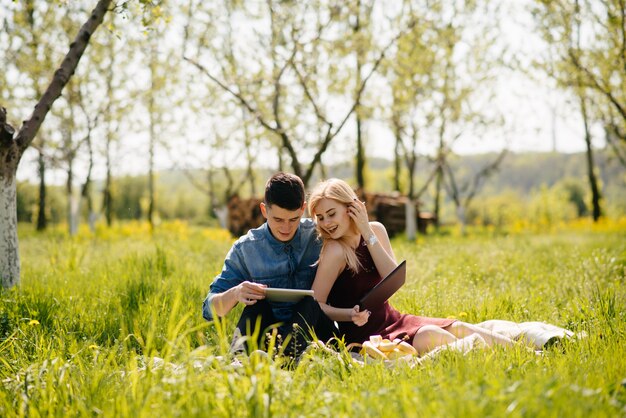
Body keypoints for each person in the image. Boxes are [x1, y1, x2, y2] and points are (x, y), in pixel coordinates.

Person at [308, 178, 515, 355]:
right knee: (431, 336)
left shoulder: (375, 231)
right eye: (320, 217)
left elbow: (393, 278)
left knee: (457, 326)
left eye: (331, 214)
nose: (326, 223)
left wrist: (366, 231)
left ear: (351, 208)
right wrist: (349, 315)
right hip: (364, 335)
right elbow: (316, 303)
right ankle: (491, 357)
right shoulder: (334, 250)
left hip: (393, 318)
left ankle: (526, 353)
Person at [202, 172, 338, 357]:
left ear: (303, 209)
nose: (286, 228)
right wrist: (235, 293)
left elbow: (355, 239)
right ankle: (240, 360)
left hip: (312, 329)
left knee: (310, 303)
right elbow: (209, 309)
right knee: (257, 306)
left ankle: (286, 357)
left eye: (293, 219)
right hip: (267, 332)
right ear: (264, 210)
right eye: (278, 220)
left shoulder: (319, 235)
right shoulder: (245, 248)